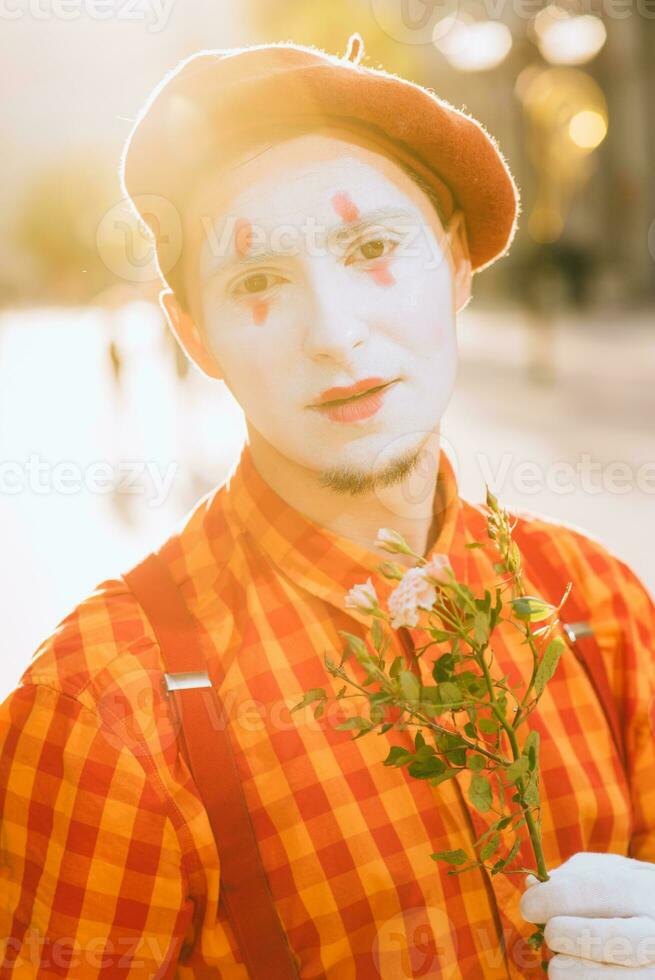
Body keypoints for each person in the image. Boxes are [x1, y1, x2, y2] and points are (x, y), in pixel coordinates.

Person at [1, 33, 654, 980]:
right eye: (257, 280)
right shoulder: (103, 712)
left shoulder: (597, 611)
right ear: (195, 336)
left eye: (373, 247)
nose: (336, 335)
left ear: (458, 265)